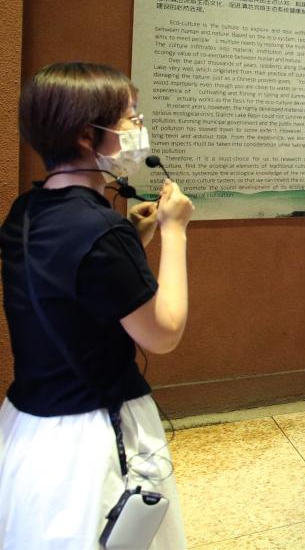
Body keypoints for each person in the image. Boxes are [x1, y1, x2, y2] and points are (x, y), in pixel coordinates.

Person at [0, 62, 193, 548]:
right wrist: (174, 231)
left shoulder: (28, 209)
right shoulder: (101, 230)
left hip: (31, 425)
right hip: (93, 437)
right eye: (130, 118)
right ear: (88, 136)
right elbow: (163, 333)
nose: (139, 127)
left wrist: (133, 237)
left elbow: (74, 289)